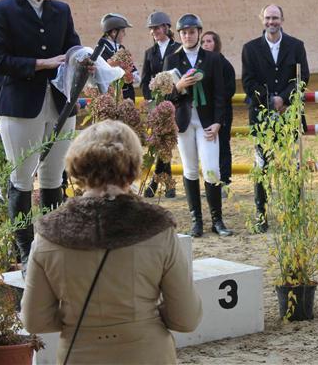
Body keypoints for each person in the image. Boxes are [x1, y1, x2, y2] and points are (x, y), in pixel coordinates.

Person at [22, 119, 202, 364]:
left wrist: (77, 320)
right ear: (133, 165)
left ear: (77, 166)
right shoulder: (158, 227)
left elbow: (35, 320)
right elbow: (186, 318)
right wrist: (142, 317)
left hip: (79, 353)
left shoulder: (48, 233)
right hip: (147, 354)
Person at [0, 0, 81, 272]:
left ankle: (54, 244)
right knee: (22, 178)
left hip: (59, 103)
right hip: (20, 105)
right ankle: (26, 252)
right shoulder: (3, 10)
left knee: (54, 177)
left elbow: (72, 45)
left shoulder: (61, 11)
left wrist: (83, 60)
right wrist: (41, 63)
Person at [241, 4, 309, 233]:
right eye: (268, 18)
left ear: (282, 19)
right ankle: (261, 214)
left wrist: (284, 99)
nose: (272, 22)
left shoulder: (296, 46)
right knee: (262, 165)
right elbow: (248, 82)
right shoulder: (250, 49)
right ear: (262, 19)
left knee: (291, 164)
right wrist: (270, 100)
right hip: (262, 117)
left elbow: (303, 77)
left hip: (289, 115)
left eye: (275, 18)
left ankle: (293, 212)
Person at [164, 14, 232, 237]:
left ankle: (217, 220)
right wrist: (178, 87)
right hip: (184, 122)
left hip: (207, 122)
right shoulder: (172, 60)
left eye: (192, 32)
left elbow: (220, 93)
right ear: (180, 35)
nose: (187, 36)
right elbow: (165, 97)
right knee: (190, 169)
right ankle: (197, 220)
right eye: (184, 32)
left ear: (199, 33)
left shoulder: (213, 59)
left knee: (211, 169)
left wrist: (218, 122)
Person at [141, 11, 179, 198]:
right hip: (158, 105)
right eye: (152, 29)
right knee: (163, 144)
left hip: (176, 103)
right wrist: (152, 99)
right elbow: (144, 80)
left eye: (156, 28)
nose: (153, 31)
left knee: (166, 143)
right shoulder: (150, 53)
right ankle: (168, 184)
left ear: (166, 27)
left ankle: (155, 183)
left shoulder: (178, 49)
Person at [200, 31, 236, 192]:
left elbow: (230, 90)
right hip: (205, 113)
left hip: (222, 113)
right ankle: (211, 182)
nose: (206, 44)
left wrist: (214, 100)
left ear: (216, 44)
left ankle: (225, 181)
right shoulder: (200, 64)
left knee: (223, 146)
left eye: (209, 41)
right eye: (203, 42)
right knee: (208, 147)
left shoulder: (225, 65)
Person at [98, 13, 140, 101]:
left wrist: (132, 75)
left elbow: (135, 73)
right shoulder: (101, 50)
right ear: (114, 32)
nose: (124, 34)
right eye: (123, 31)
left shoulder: (121, 48)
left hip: (128, 96)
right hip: (112, 98)